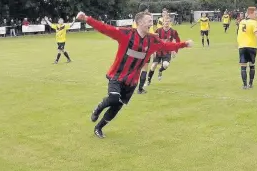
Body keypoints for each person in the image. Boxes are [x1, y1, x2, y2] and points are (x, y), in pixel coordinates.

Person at [79, 11, 193, 139]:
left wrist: (184, 44)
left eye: (152, 21)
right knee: (113, 99)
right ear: (139, 22)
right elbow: (106, 28)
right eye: (148, 21)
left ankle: (98, 128)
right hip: (117, 75)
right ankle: (97, 109)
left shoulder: (152, 40)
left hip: (132, 81)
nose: (151, 24)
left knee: (116, 108)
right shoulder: (126, 34)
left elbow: (166, 46)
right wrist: (87, 19)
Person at [237, 7, 257, 89]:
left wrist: (239, 43)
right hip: (251, 46)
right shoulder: (254, 22)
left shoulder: (242, 22)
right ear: (250, 13)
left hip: (242, 47)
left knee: (243, 66)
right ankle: (250, 84)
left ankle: (244, 85)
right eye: (255, 13)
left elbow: (239, 34)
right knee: (252, 65)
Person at [147, 16, 180, 85]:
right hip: (158, 52)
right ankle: (148, 81)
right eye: (165, 22)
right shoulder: (158, 30)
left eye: (168, 22)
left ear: (170, 22)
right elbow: (153, 41)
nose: (166, 23)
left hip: (167, 52)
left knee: (165, 65)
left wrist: (175, 50)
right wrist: (153, 51)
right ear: (163, 22)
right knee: (153, 66)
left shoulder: (173, 31)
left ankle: (160, 70)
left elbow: (177, 41)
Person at [132, 9, 157, 94]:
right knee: (144, 69)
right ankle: (140, 89)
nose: (150, 22)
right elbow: (152, 38)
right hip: (145, 49)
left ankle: (127, 86)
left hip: (134, 49)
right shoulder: (148, 27)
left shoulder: (136, 24)